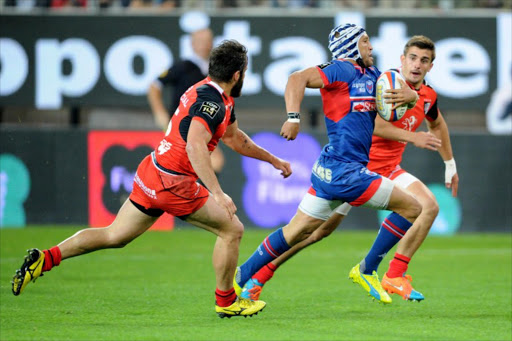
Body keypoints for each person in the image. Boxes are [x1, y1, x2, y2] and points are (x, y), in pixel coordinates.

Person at [11, 40, 293, 319]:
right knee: (232, 229)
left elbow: (234, 138)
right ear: (237, 75)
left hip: (154, 170)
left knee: (114, 235)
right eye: (245, 70)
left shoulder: (208, 93)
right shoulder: (214, 104)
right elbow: (195, 146)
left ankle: (45, 258)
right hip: (175, 182)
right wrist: (217, 193)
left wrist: (273, 160)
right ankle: (227, 301)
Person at [239, 35, 459, 303]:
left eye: (424, 60)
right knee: (315, 232)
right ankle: (260, 276)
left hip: (387, 169)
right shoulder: (384, 83)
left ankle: (395, 274)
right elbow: (371, 121)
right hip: (358, 168)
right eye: (412, 58)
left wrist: (450, 163)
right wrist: (413, 136)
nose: (417, 65)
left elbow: (438, 125)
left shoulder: (427, 96)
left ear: (431, 67)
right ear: (402, 60)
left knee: (427, 206)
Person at [148, 28, 225, 173]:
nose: (204, 45)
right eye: (200, 41)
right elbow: (154, 86)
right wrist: (159, 112)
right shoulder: (183, 67)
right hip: (182, 124)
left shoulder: (214, 70)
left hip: (202, 125)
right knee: (197, 162)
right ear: (192, 44)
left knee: (214, 162)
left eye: (207, 41)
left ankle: (201, 194)